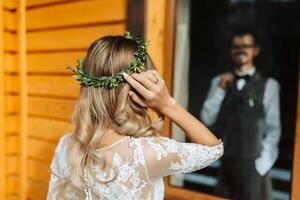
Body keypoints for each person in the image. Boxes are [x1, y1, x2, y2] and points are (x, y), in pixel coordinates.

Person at [46, 32, 223, 200]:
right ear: (137, 88)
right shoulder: (144, 154)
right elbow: (213, 149)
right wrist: (168, 104)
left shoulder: (66, 145)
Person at [200, 29, 281, 200]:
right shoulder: (218, 81)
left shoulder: (269, 85)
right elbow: (207, 118)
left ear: (255, 51)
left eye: (246, 46)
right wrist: (221, 89)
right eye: (236, 46)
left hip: (254, 167)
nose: (240, 50)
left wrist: (261, 165)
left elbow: (273, 129)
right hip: (225, 165)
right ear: (231, 51)